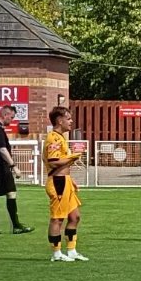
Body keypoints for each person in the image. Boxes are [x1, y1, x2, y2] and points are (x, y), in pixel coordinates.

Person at [43, 107, 87, 262]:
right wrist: (73, 158)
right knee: (57, 219)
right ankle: (56, 253)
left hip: (65, 181)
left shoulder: (60, 137)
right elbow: (53, 162)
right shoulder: (53, 138)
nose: (71, 121)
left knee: (75, 217)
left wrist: (71, 179)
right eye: (68, 119)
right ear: (59, 120)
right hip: (57, 182)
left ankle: (72, 250)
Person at [0, 105, 32, 235]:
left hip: (3, 168)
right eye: (12, 117)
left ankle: (16, 226)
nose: (12, 120)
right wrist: (14, 166)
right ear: (5, 115)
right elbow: (2, 149)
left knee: (11, 192)